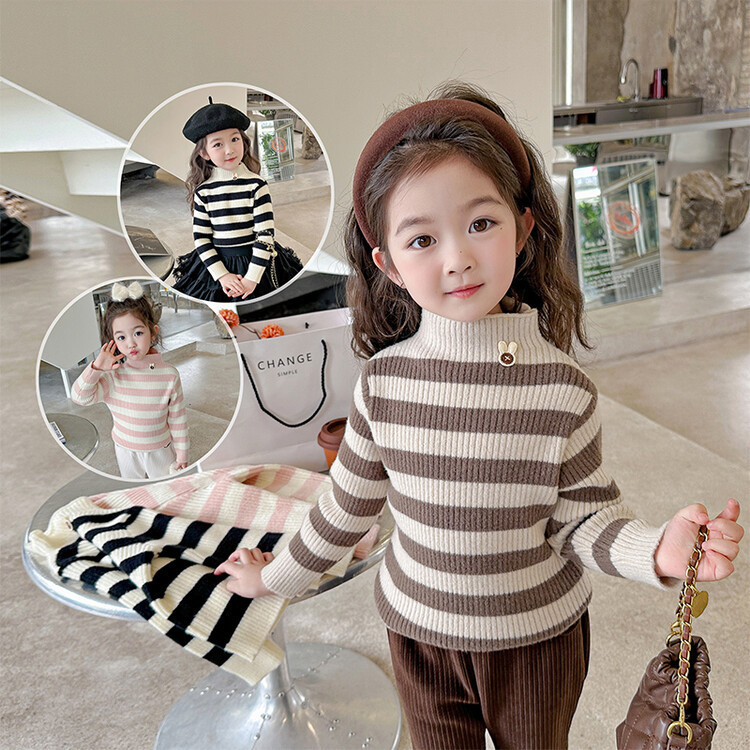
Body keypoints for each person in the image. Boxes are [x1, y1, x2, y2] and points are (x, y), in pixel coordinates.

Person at [213, 82, 743, 749]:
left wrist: (657, 551)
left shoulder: (562, 389)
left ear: (523, 229)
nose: (457, 258)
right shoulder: (382, 385)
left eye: (481, 224)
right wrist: (272, 579)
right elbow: (344, 511)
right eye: (422, 238)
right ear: (388, 265)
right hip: (418, 636)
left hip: (538, 642)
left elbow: (580, 520)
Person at [172, 97, 302, 302]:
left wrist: (251, 279)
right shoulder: (203, 192)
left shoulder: (257, 185)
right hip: (217, 265)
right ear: (204, 153)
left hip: (257, 263)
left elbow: (265, 234)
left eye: (235, 139)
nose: (229, 150)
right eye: (218, 144)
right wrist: (222, 275)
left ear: (243, 141)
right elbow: (202, 238)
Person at [72, 281, 189, 479]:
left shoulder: (169, 375)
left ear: (153, 332)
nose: (131, 343)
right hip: (125, 450)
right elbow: (79, 398)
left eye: (138, 333)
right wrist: (96, 368)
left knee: (165, 487)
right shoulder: (112, 376)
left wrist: (182, 454)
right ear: (113, 341)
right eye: (121, 337)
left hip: (160, 450)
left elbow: (178, 419)